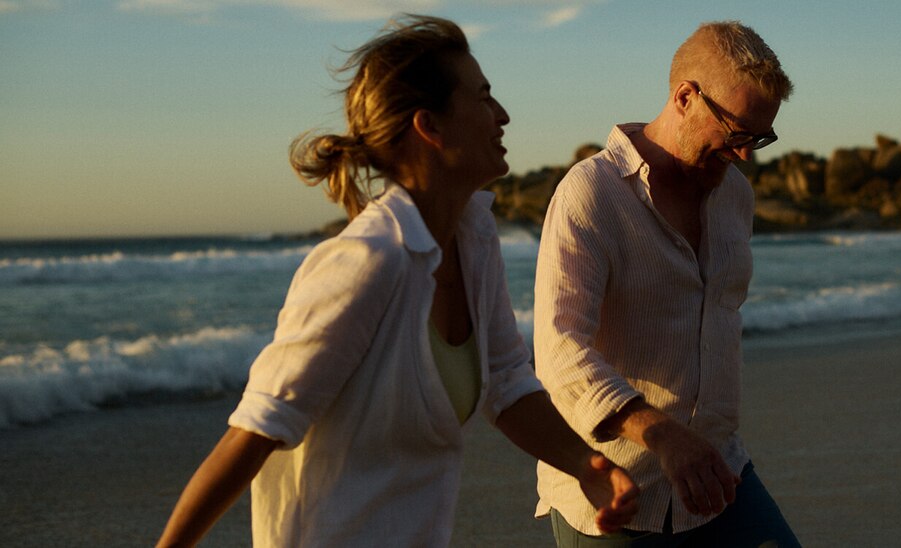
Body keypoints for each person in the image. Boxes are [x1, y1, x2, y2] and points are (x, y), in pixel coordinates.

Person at [157, 15, 638, 548]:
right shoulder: (367, 262)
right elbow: (253, 433)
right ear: (429, 126)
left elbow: (506, 382)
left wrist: (585, 466)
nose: (502, 116)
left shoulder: (474, 235)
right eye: (483, 98)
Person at [532, 20, 800, 546]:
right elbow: (560, 353)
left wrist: (696, 442)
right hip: (615, 493)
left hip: (720, 474)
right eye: (738, 133)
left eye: (760, 138)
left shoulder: (734, 196)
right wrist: (663, 436)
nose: (747, 155)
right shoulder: (591, 194)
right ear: (685, 97)